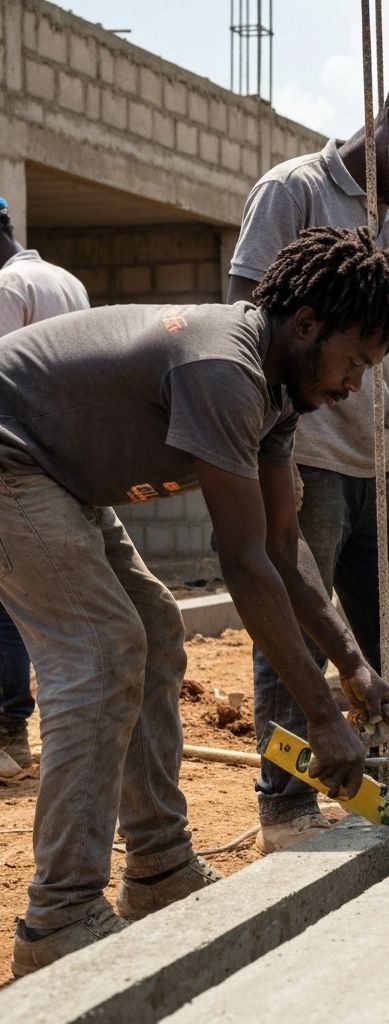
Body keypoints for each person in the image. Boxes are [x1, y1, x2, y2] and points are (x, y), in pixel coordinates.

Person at [0, 226, 389, 975]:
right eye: (355, 359)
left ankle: (158, 871)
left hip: (60, 474)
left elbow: (284, 554)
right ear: (306, 325)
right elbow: (244, 565)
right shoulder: (222, 368)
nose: (357, 383)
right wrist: (321, 717)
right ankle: (59, 914)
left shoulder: (277, 394)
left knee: (157, 631)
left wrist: (353, 668)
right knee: (102, 654)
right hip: (12, 456)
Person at [227, 64, 389, 852]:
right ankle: (288, 805)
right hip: (302, 451)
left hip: (372, 458)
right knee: (296, 625)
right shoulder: (294, 190)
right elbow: (242, 308)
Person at [0, 196, 90, 771]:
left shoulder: (8, 291)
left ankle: (8, 735)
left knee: (7, 609)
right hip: (71, 467)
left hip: (20, 469)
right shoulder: (66, 281)